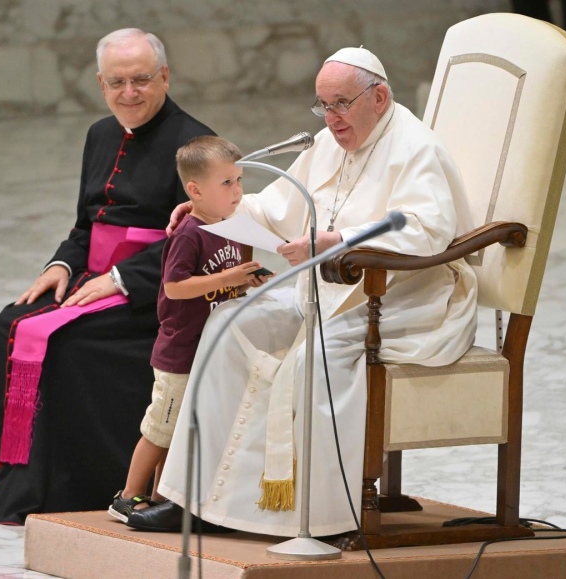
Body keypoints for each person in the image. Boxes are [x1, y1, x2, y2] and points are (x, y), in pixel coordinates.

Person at [125, 47, 478, 536]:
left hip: (400, 296)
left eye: (340, 104)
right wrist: (214, 212)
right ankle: (190, 500)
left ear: (379, 97)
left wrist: (341, 242)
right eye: (322, 106)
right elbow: (275, 207)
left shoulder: (415, 147)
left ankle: (318, 514)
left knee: (316, 360)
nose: (330, 119)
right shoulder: (333, 143)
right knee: (228, 323)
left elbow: (426, 230)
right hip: (327, 288)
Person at [0, 28, 215, 525]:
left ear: (165, 77)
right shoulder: (100, 134)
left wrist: (122, 278)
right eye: (116, 82)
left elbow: (200, 242)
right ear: (100, 83)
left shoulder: (195, 145)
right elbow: (87, 224)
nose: (128, 93)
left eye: (141, 80)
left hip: (154, 296)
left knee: (66, 342)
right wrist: (61, 265)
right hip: (92, 275)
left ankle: (51, 487)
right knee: (11, 322)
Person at [108, 136, 272, 523]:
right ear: (195, 190)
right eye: (227, 183)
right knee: (160, 428)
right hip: (180, 351)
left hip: (208, 348)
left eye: (239, 180)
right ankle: (127, 496)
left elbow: (225, 278)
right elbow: (174, 287)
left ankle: (161, 498)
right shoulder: (189, 234)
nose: (238, 191)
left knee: (180, 430)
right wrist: (228, 276)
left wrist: (248, 278)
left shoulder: (231, 227)